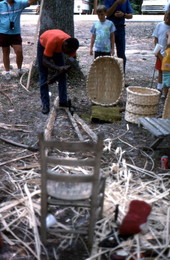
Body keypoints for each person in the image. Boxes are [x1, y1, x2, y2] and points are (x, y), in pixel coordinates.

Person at [37, 29, 79, 114]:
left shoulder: (71, 46)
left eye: (71, 52)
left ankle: (63, 101)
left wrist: (59, 73)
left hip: (58, 48)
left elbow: (71, 62)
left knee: (63, 75)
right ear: (65, 45)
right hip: (44, 44)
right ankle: (45, 104)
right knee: (43, 74)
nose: (69, 54)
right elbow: (44, 61)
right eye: (68, 52)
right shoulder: (53, 42)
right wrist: (58, 68)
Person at [0, 0, 38, 80]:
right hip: (3, 33)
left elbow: (30, 1)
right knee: (6, 52)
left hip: (15, 34)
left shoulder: (19, 3)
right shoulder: (1, 5)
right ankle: (7, 72)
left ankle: (19, 69)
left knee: (19, 51)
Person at [104, 0, 133, 72]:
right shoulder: (108, 0)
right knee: (107, 53)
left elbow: (130, 16)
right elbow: (107, 14)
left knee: (121, 54)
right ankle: (107, 76)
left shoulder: (125, 1)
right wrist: (116, 3)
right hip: (109, 29)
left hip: (120, 29)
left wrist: (123, 15)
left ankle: (121, 78)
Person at [152, 8, 170, 92]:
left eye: (168, 17)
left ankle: (166, 88)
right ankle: (159, 88)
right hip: (160, 51)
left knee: (166, 71)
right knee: (160, 70)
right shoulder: (159, 25)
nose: (166, 19)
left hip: (168, 53)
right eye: (165, 16)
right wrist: (157, 49)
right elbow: (156, 38)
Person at [161, 30, 170, 98]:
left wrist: (169, 34)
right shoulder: (167, 49)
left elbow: (169, 43)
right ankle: (166, 95)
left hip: (168, 70)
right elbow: (163, 59)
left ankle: (167, 96)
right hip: (165, 69)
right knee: (165, 83)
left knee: (168, 83)